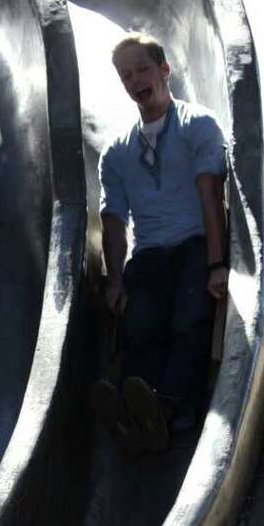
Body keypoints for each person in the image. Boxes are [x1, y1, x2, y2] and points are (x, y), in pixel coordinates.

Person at [92, 33, 229, 453]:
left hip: (193, 244)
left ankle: (170, 408)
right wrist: (115, 280)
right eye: (125, 75)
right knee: (142, 322)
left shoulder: (197, 126)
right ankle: (138, 407)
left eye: (142, 70)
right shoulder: (117, 153)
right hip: (150, 252)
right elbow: (114, 222)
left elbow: (211, 195)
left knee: (189, 317)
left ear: (164, 70)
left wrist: (216, 263)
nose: (135, 81)